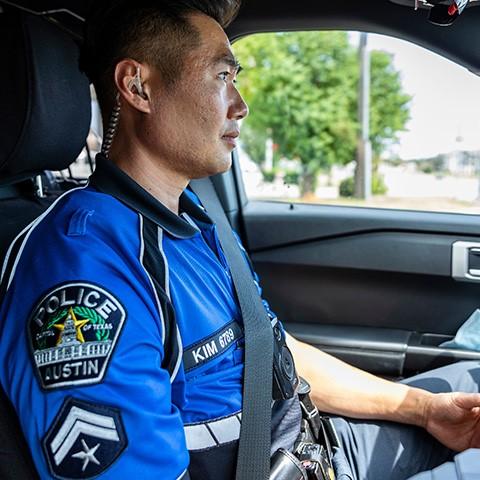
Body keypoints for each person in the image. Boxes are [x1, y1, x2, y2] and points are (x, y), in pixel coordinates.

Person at [0, 1, 479, 479]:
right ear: (138, 86)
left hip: (316, 450)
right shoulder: (86, 268)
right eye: (222, 78)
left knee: (467, 384)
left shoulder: (191, 220)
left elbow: (268, 352)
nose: (241, 105)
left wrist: (423, 408)